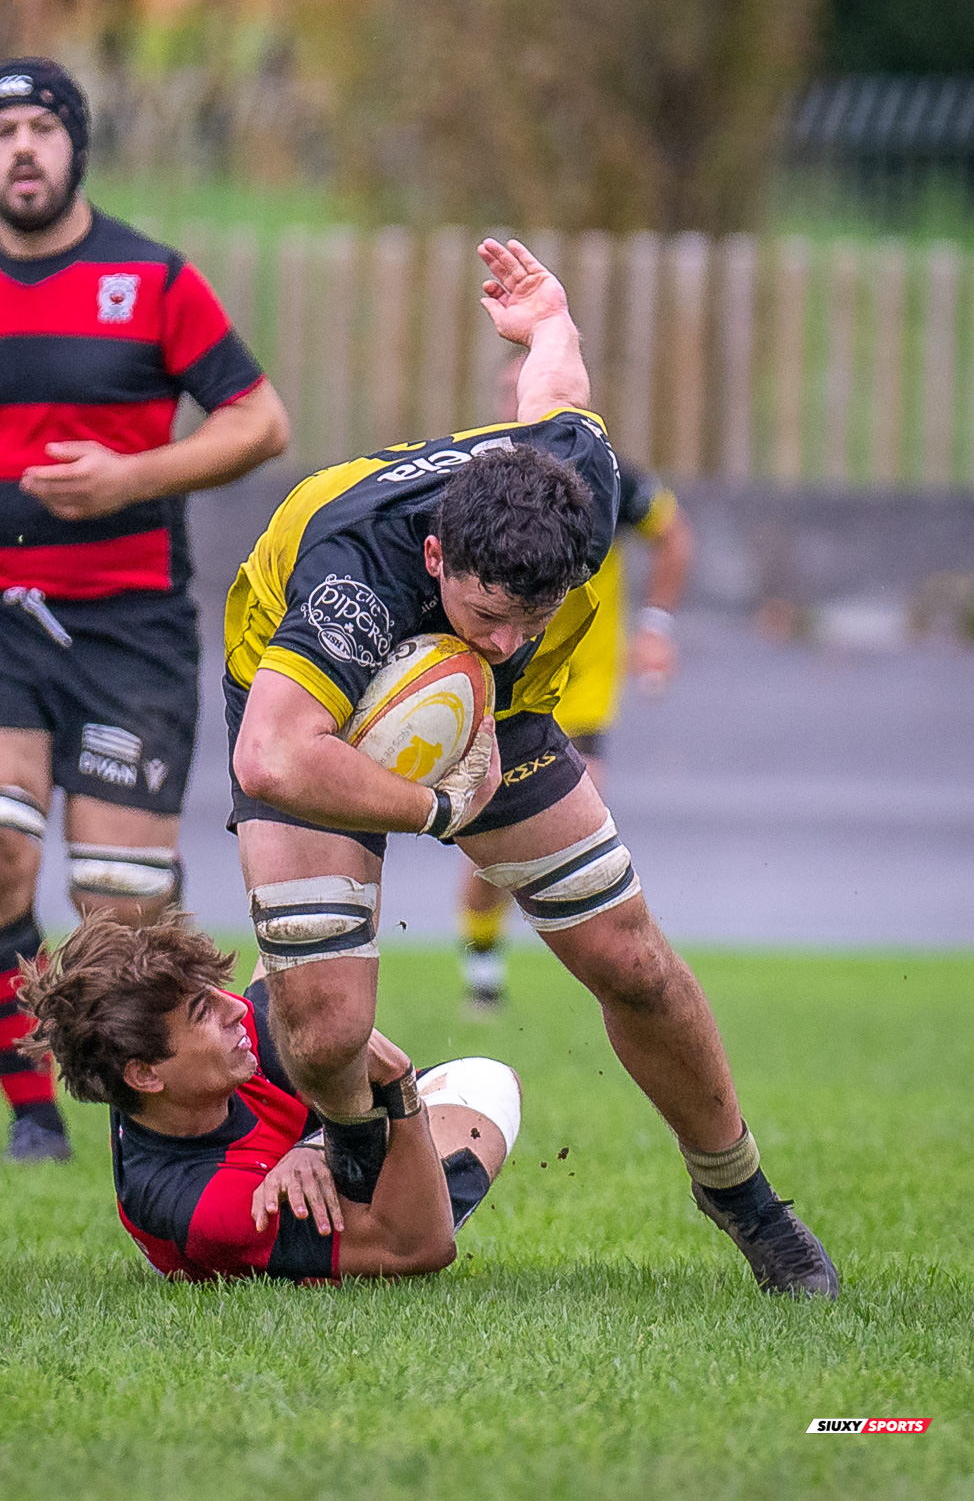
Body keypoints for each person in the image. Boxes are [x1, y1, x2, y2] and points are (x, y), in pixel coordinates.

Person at [222, 236, 838, 1298]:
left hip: (492, 728)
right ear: (434, 563)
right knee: (324, 1033)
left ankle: (742, 1198)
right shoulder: (357, 576)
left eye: (535, 614)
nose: (507, 638)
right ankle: (363, 1154)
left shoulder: (574, 488)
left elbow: (559, 393)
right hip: (307, 704)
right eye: (486, 615)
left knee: (633, 961)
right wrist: (429, 806)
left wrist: (551, 320)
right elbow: (273, 754)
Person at [0, 57, 289, 1164]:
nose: (20, 148)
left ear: (76, 144)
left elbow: (259, 420)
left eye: (41, 127)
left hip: (130, 631)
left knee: (119, 915)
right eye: (1, 131)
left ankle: (159, 1119)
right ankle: (33, 1116)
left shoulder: (153, 279)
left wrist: (134, 476)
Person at [19, 911, 520, 1282]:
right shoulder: (208, 1207)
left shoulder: (188, 1069)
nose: (230, 1008)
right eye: (202, 1012)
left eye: (214, 991)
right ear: (146, 1074)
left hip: (286, 1141)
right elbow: (421, 1250)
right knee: (478, 1090)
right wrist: (398, 1081)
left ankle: (334, 1138)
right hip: (240, 1211)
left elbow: (288, 974)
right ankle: (348, 1144)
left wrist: (313, 1147)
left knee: (482, 1076)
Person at [459, 429, 694, 1009]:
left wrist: (656, 627)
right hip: (503, 687)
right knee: (500, 841)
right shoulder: (482, 484)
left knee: (570, 819)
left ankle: (609, 974)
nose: (519, 406)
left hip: (580, 691)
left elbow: (674, 537)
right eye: (508, 394)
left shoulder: (610, 478)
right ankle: (482, 961)